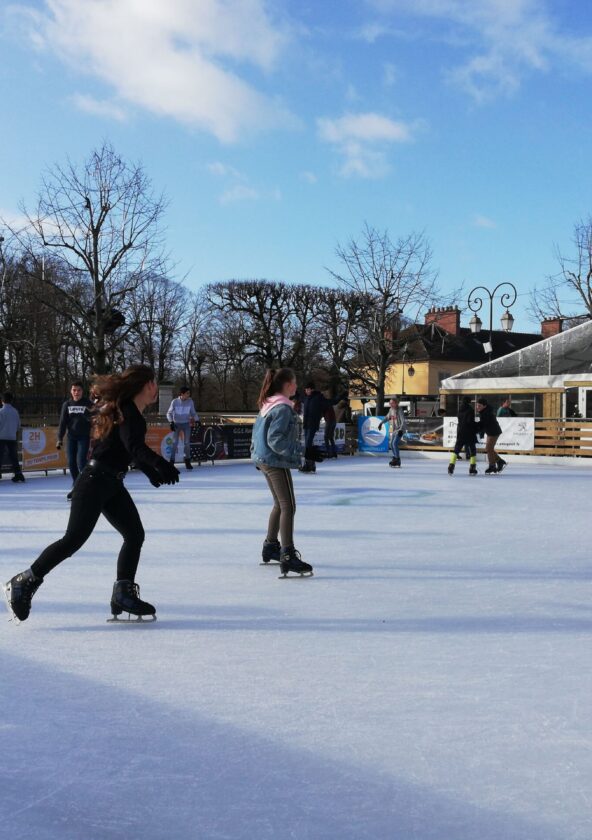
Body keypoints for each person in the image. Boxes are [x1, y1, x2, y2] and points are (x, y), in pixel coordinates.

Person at [3, 365, 180, 624]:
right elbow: (134, 446)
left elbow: (126, 450)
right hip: (95, 482)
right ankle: (23, 581)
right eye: (154, 382)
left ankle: (122, 592)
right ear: (145, 385)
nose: (156, 387)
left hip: (110, 483)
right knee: (73, 539)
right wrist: (161, 464)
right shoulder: (129, 411)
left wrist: (150, 472)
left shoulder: (128, 411)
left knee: (134, 534)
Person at [251, 368, 313, 577]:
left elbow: (259, 435)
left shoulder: (268, 404)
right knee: (289, 506)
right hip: (274, 461)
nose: (297, 387)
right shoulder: (283, 408)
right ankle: (288, 554)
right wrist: (301, 451)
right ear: (287, 385)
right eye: (294, 382)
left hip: (264, 459)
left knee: (279, 504)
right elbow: (275, 440)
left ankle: (270, 545)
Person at [57, 381, 94, 499]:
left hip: (84, 437)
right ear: (71, 391)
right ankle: (77, 485)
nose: (76, 392)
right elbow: (63, 422)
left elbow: (95, 419)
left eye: (78, 390)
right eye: (74, 390)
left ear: (82, 391)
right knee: (71, 462)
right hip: (71, 437)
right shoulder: (67, 404)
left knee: (81, 462)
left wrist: (88, 417)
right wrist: (60, 438)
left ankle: (85, 486)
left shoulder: (88, 404)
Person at [166, 386, 199, 470]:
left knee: (187, 443)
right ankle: (171, 461)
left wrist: (197, 420)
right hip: (177, 424)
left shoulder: (190, 401)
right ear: (182, 394)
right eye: (187, 393)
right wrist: (171, 422)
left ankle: (187, 461)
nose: (189, 394)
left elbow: (193, 413)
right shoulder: (175, 402)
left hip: (186, 424)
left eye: (189, 393)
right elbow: (168, 413)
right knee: (175, 443)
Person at [447, 396, 478, 475]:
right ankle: (472, 468)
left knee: (456, 449)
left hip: (460, 432)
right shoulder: (470, 410)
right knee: (472, 450)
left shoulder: (460, 409)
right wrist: (476, 427)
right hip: (469, 432)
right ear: (469, 402)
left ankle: (451, 465)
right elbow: (470, 422)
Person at [475, 397, 506, 474]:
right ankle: (499, 461)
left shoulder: (486, 413)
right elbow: (483, 424)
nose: (477, 407)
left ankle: (492, 466)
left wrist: (474, 427)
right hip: (491, 432)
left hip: (494, 432)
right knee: (489, 448)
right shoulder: (484, 411)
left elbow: (483, 424)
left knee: (489, 448)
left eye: (479, 405)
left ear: (484, 406)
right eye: (477, 405)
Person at [300, 381, 326, 473]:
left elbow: (328, 403)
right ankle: (310, 465)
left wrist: (340, 397)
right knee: (307, 444)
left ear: (312, 389)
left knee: (308, 444)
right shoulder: (306, 398)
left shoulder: (318, 397)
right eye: (305, 389)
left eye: (308, 389)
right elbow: (297, 397)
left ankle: (309, 465)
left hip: (313, 424)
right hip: (306, 424)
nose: (306, 391)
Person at [0, 392, 25, 483]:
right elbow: (18, 426)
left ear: (2, 401)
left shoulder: (1, 412)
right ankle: (18, 474)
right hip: (12, 436)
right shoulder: (15, 412)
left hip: (1, 437)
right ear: (11, 400)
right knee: (13, 456)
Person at [378, 397, 407, 468]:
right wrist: (381, 423)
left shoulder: (399, 410)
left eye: (392, 403)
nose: (390, 404)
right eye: (389, 403)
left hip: (400, 429)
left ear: (396, 403)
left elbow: (403, 420)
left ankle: (397, 459)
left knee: (394, 443)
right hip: (394, 430)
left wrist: (401, 429)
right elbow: (387, 417)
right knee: (391, 444)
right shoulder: (391, 410)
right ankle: (395, 457)